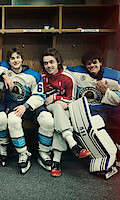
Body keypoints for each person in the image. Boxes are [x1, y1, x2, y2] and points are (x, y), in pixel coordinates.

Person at [0, 48, 54, 174]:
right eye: (12, 58)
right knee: (12, 121)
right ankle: (23, 153)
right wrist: (5, 76)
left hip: (31, 104)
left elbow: (40, 96)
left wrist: (26, 106)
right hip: (13, 104)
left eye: (18, 57)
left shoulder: (34, 75)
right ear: (9, 61)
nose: (15, 60)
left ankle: (44, 152)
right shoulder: (5, 70)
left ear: (22, 59)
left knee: (48, 121)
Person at [40, 48, 91, 177]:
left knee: (60, 120)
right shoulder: (42, 77)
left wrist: (56, 98)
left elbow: (72, 100)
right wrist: (54, 101)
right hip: (50, 109)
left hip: (66, 109)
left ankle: (56, 161)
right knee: (57, 109)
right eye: (46, 63)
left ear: (58, 62)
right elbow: (41, 98)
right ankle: (73, 144)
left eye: (51, 62)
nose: (49, 66)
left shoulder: (68, 77)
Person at [66, 50, 120, 143]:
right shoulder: (78, 72)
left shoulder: (115, 75)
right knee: (93, 128)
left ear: (101, 63)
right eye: (88, 64)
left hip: (116, 109)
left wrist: (106, 92)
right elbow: (60, 70)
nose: (91, 66)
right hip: (94, 109)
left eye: (95, 62)